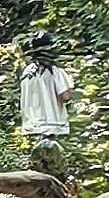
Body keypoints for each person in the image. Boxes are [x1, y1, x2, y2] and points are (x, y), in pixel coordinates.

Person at [16, 34, 75, 162]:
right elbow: (65, 97)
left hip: (31, 125)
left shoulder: (27, 72)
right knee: (53, 163)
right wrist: (70, 81)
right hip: (51, 125)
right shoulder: (55, 71)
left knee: (35, 162)